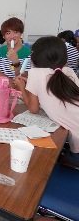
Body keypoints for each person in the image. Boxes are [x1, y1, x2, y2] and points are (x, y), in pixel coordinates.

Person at [14, 36, 79, 167]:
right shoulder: (69, 71)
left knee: (52, 161)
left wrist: (22, 87)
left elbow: (34, 109)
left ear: (34, 58)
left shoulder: (34, 73)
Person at [0, 17, 31, 87]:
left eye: (16, 32)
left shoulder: (29, 53)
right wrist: (9, 81)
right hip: (1, 87)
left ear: (21, 33)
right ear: (3, 36)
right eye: (8, 33)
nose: (12, 36)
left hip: (19, 89)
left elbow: (25, 76)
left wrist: (16, 62)